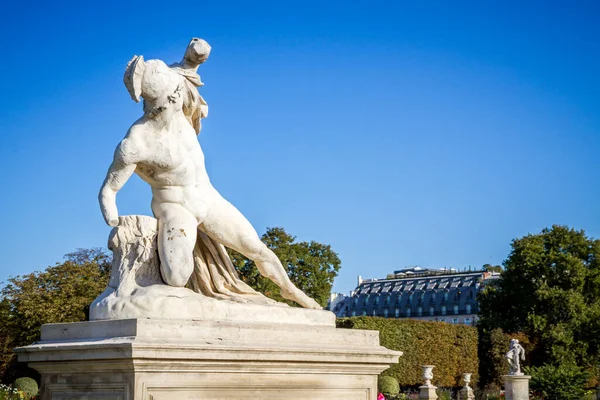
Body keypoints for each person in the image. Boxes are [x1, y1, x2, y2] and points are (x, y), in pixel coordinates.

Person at [99, 55, 321, 309]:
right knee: (176, 276)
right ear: (162, 103)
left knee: (258, 250)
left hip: (209, 199)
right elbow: (108, 190)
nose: (182, 98)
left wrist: (195, 53)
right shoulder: (137, 143)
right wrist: (115, 219)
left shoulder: (178, 92)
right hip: (176, 208)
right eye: (175, 97)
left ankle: (291, 291)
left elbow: (188, 67)